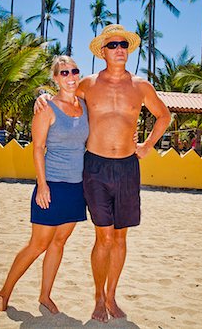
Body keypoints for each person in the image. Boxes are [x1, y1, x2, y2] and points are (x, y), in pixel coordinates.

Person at [35, 24, 171, 323]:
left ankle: (112, 296)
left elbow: (164, 115)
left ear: (129, 48)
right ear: (103, 51)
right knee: (104, 238)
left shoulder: (141, 86)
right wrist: (42, 96)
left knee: (120, 238)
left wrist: (148, 145)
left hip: (127, 167)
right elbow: (64, 95)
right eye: (113, 45)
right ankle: (98, 297)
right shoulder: (87, 84)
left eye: (123, 44)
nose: (119, 48)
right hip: (94, 167)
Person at [0, 55, 89, 315]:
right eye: (63, 73)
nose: (70, 77)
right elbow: (38, 148)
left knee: (59, 243)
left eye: (74, 71)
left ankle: (45, 296)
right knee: (38, 244)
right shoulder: (47, 107)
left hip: (76, 187)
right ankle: (4, 292)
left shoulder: (85, 105)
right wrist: (42, 185)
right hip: (52, 185)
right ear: (55, 78)